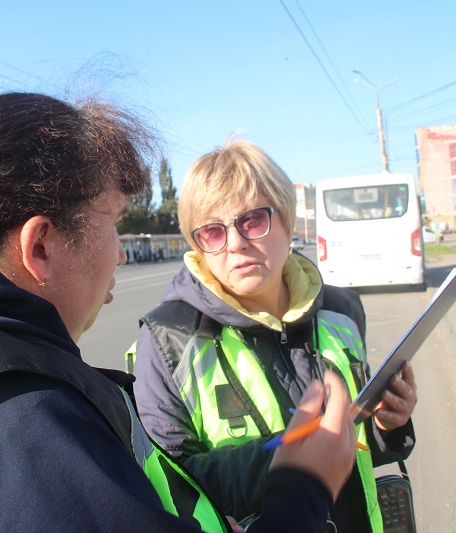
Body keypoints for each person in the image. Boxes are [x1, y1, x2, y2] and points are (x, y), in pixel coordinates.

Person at [0, 93, 359, 532]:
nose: (121, 251)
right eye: (112, 221)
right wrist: (302, 492)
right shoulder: (19, 415)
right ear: (41, 245)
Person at [129, 137, 418, 532]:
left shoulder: (341, 311)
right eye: (213, 231)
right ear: (197, 245)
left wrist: (387, 424)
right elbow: (168, 488)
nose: (235, 244)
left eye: (252, 220)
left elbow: (360, 449)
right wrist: (291, 462)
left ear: (286, 219)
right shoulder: (167, 339)